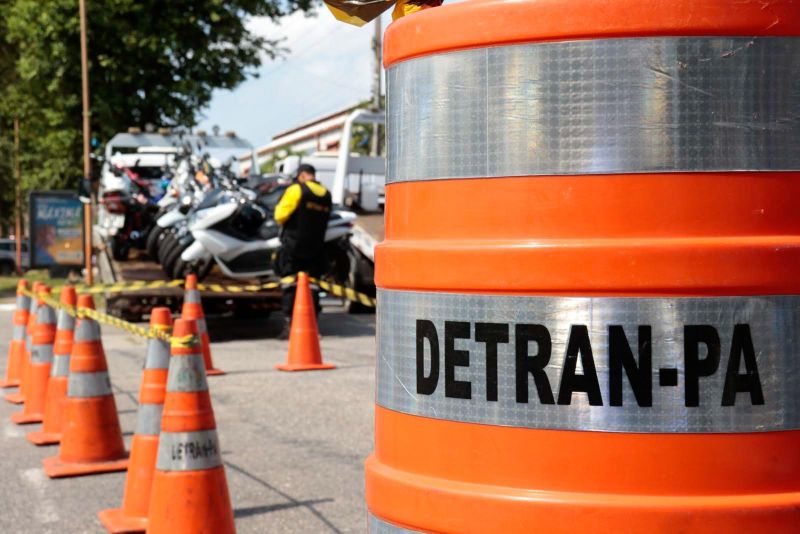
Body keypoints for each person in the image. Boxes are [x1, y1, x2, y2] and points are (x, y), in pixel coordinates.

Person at [273, 163, 332, 338]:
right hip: (316, 248)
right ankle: (312, 325)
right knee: (312, 287)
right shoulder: (326, 194)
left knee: (290, 285)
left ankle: (290, 326)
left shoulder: (297, 189)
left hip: (294, 247)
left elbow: (280, 216)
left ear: (302, 175)